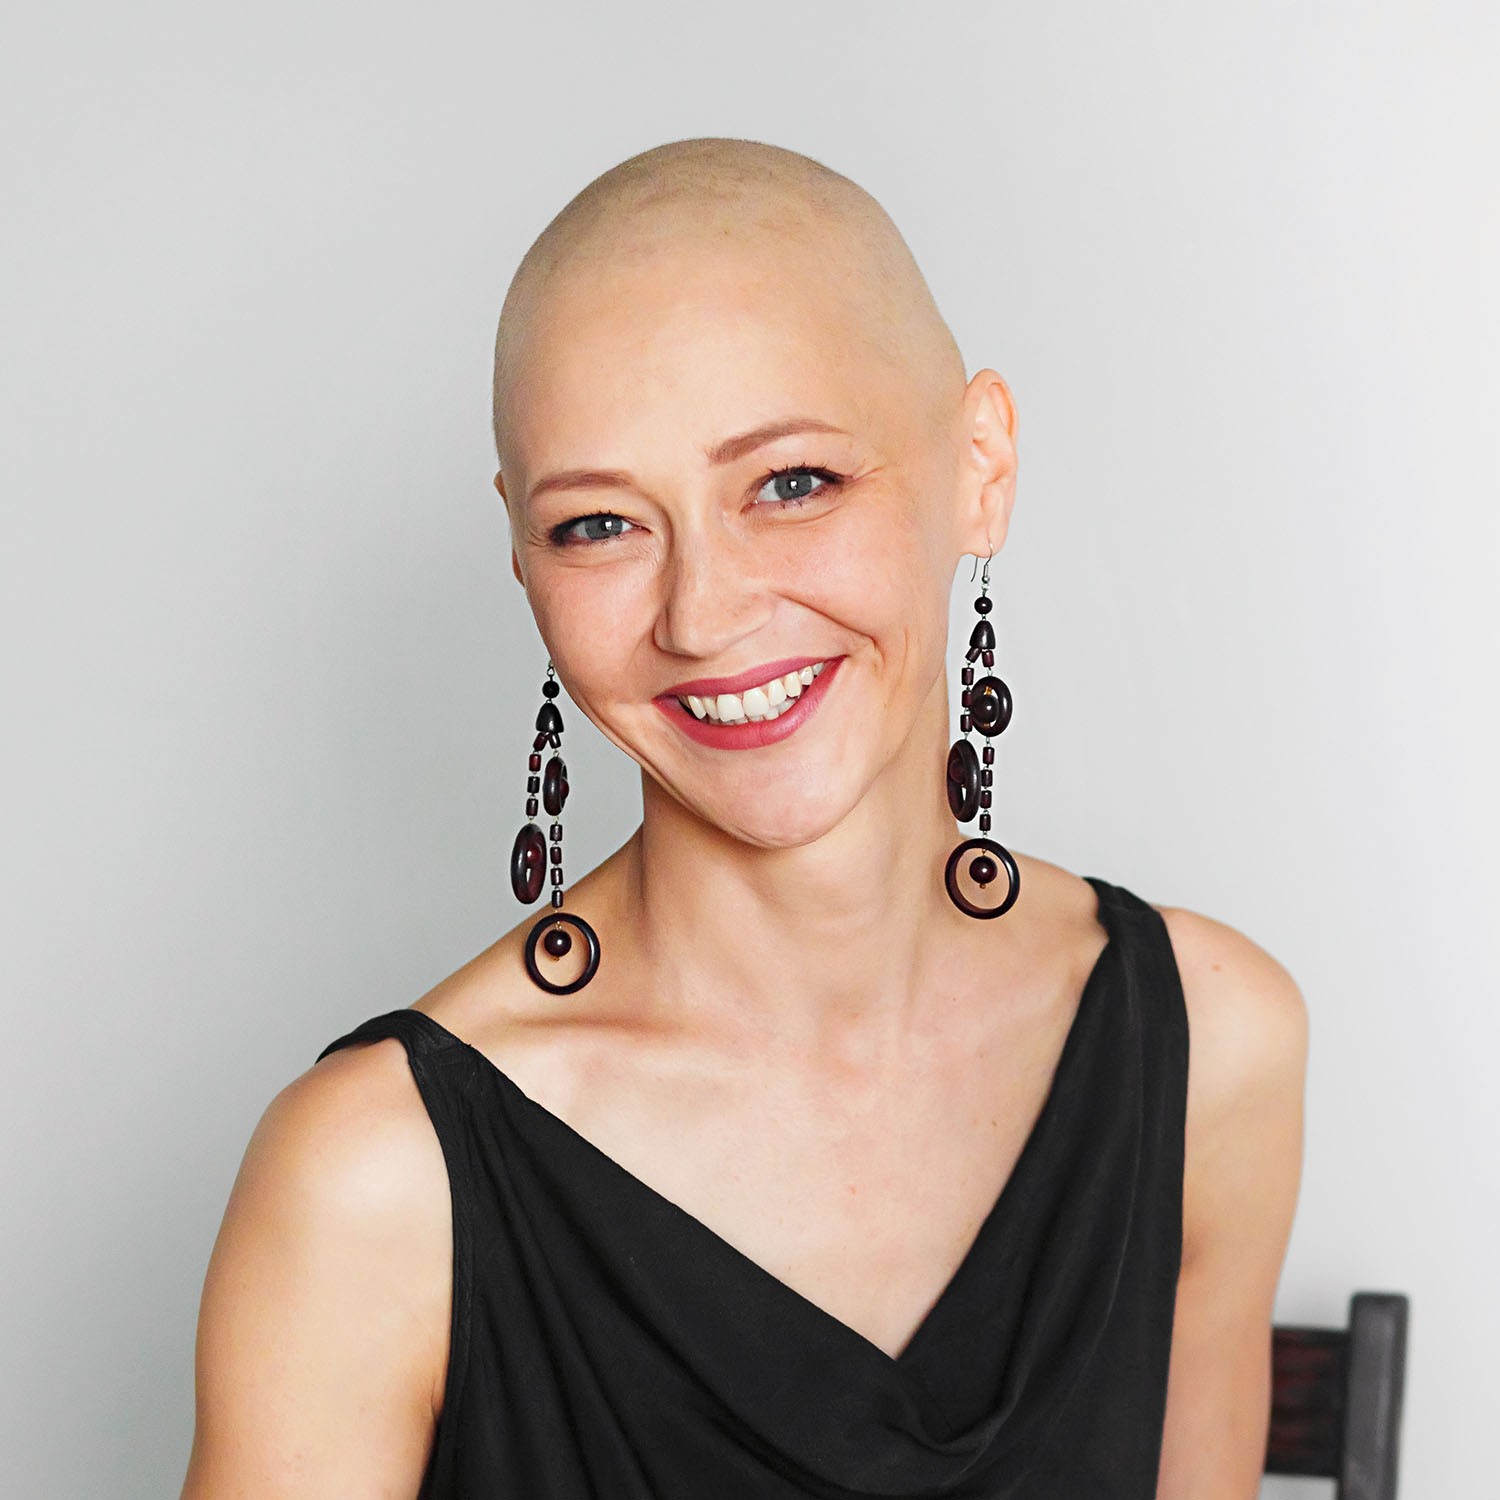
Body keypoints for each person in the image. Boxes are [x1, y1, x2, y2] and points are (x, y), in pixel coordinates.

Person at [181, 138, 1307, 1500]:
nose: (702, 616)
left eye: (792, 483)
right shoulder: (372, 1182)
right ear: (522, 553)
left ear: (980, 464)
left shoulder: (1214, 1044)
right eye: (599, 525)